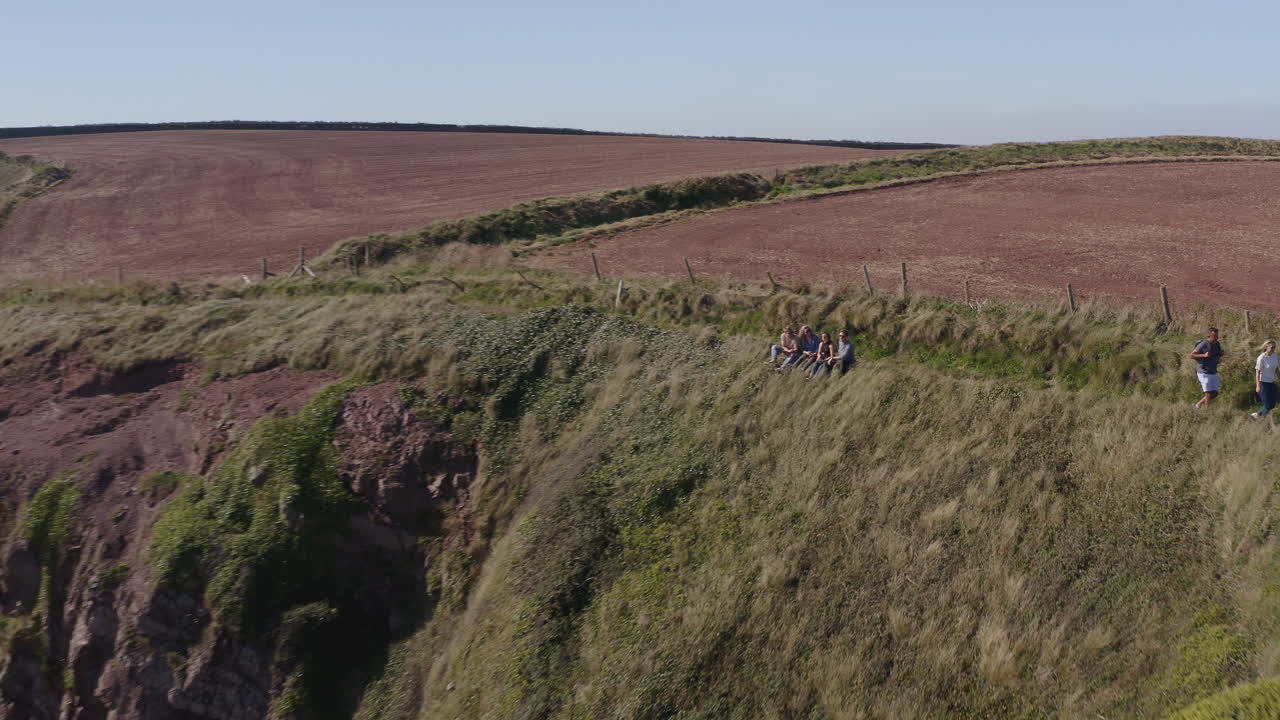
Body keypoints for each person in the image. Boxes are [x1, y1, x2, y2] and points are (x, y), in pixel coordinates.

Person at [1191, 327, 1225, 408]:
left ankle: (1197, 405)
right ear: (1209, 335)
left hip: (1213, 371)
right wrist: (1203, 355)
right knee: (1208, 393)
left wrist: (1221, 354)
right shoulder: (1204, 344)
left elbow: (1218, 354)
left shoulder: (1217, 344)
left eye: (1217, 336)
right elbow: (1192, 355)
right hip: (1203, 372)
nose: (1216, 338)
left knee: (1215, 393)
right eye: (1214, 336)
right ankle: (1207, 411)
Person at [1253, 339, 1278, 419]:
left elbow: (1276, 368)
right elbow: (1257, 372)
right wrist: (1258, 386)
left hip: (1272, 382)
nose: (1273, 349)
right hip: (1263, 383)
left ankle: (1257, 415)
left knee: (1273, 404)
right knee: (1268, 405)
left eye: (1274, 347)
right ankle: (1262, 419)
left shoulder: (1274, 355)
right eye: (1272, 347)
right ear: (1266, 347)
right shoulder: (1261, 358)